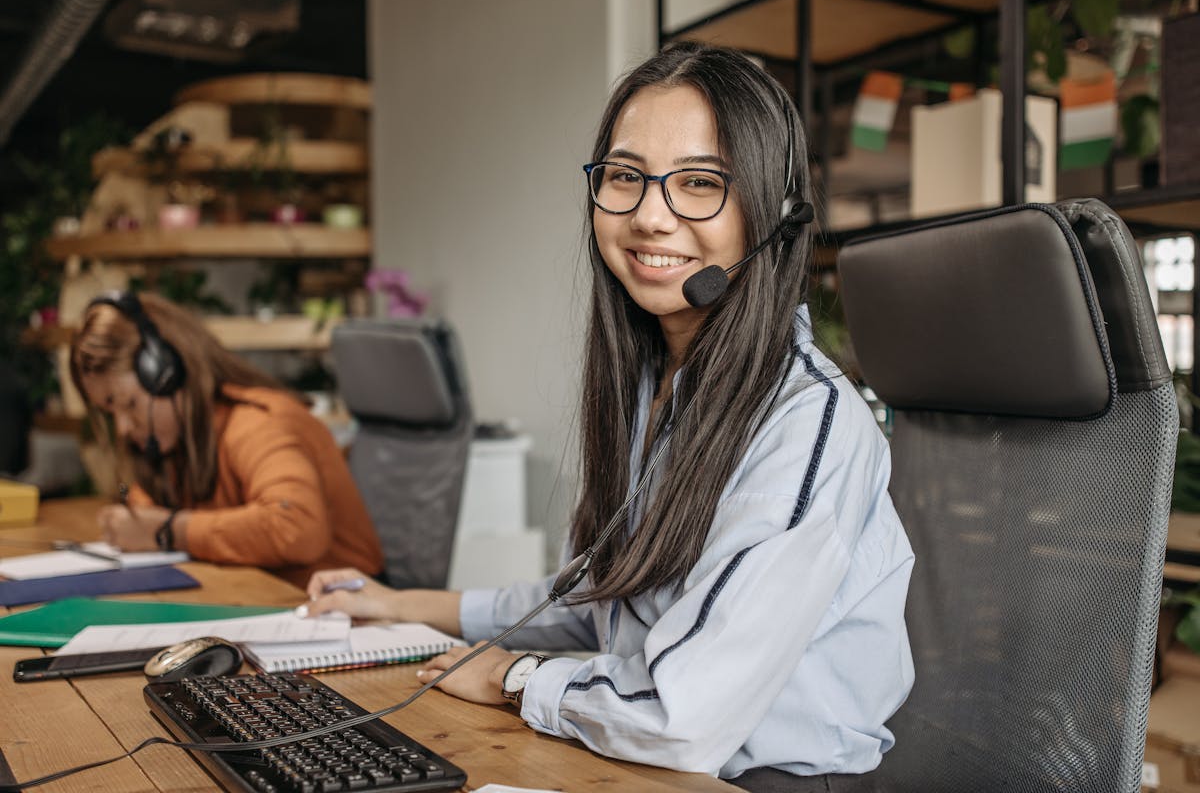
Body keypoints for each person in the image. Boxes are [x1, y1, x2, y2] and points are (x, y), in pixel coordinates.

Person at [306, 42, 914, 791]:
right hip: (652, 768)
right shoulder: (655, 389)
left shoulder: (807, 424)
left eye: (700, 184)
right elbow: (598, 597)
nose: (651, 217)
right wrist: (407, 605)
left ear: (776, 216)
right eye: (626, 178)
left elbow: (683, 715)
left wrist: (516, 680)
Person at [70, 291, 384, 588]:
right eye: (110, 413)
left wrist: (166, 530)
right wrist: (136, 517)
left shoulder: (257, 424)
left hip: (348, 615)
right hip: (260, 601)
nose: (122, 427)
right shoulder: (176, 444)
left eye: (129, 404)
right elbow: (143, 508)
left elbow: (297, 527)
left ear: (166, 374)